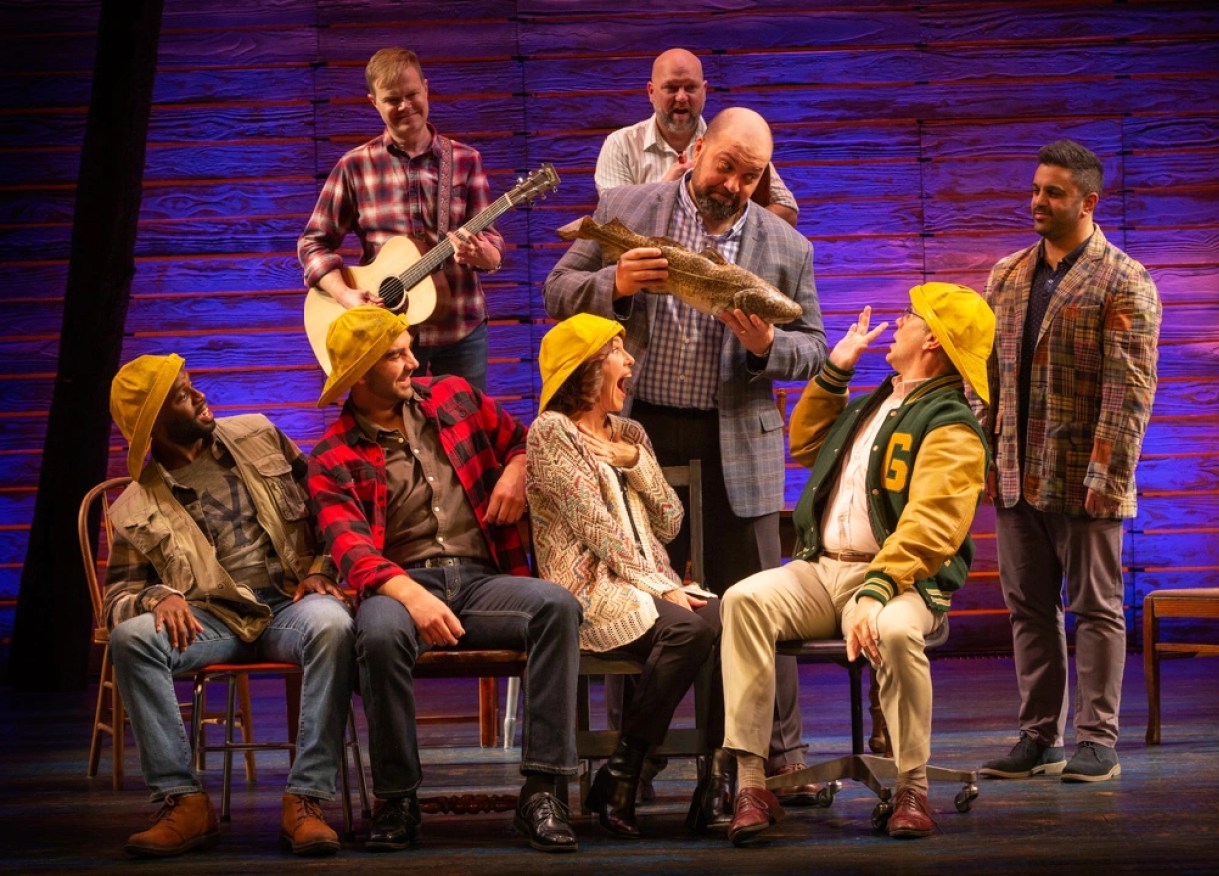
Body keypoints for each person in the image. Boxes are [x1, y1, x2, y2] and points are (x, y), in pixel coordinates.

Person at [545, 106, 829, 801]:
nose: (732, 183)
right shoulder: (626, 207)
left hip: (734, 438)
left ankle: (761, 761)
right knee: (634, 596)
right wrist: (612, 286)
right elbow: (556, 291)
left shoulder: (784, 246)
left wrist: (768, 348)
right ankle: (631, 761)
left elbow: (815, 349)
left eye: (749, 174)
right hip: (634, 431)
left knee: (750, 601)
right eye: (724, 165)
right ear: (697, 150)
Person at [719, 283, 993, 846]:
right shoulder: (882, 399)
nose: (898, 322)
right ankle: (751, 782)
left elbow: (932, 524)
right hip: (822, 571)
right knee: (743, 598)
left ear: (934, 342)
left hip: (902, 582)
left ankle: (911, 787)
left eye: (910, 317)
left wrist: (877, 588)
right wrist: (835, 372)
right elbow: (806, 445)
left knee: (893, 631)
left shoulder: (951, 424)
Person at [306, 306, 582, 854]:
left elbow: (526, 440)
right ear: (360, 375)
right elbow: (355, 554)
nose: (413, 360)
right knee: (379, 634)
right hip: (398, 586)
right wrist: (409, 595)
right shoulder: (330, 456)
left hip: (482, 580)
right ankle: (398, 797)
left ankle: (543, 791)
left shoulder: (453, 397)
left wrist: (516, 469)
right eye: (396, 355)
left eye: (409, 348)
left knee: (557, 607)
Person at [103, 354, 354, 858]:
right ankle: (184, 803)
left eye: (191, 384)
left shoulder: (259, 433)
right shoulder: (135, 505)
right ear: (154, 425)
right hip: (210, 618)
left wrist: (323, 565)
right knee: (130, 638)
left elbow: (332, 500)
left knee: (333, 624)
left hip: (290, 602)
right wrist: (157, 595)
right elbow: (115, 600)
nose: (197, 395)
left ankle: (305, 799)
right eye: (180, 394)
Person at [977, 139, 1161, 784]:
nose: (1037, 202)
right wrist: (983, 459)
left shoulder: (1124, 279)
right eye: (1034, 190)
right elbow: (985, 381)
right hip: (1014, 474)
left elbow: (1129, 392)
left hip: (1085, 479)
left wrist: (1107, 479)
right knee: (1028, 609)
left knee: (1097, 608)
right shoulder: (1006, 274)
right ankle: (1038, 736)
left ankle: (1097, 738)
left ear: (1088, 201)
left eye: (1052, 193)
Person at [525, 313, 727, 837]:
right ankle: (624, 774)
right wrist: (664, 587)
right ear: (589, 368)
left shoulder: (632, 431)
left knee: (732, 618)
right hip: (591, 586)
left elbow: (669, 520)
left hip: (647, 580)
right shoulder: (552, 433)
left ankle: (710, 776)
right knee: (688, 629)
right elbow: (596, 528)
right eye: (617, 349)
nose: (630, 359)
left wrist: (636, 460)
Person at [298, 46, 505, 389]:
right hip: (387, 338)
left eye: (412, 94)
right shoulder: (354, 166)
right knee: (396, 437)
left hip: (460, 330)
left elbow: (492, 238)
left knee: (466, 432)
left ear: (426, 88)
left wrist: (487, 255)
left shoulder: (466, 160)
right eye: (393, 99)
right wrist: (345, 294)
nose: (406, 105)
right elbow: (312, 242)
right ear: (374, 103)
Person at [594, 47, 800, 227]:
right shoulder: (620, 145)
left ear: (704, 91)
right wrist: (664, 190)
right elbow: (612, 221)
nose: (682, 97)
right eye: (671, 88)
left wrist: (730, 223)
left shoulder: (732, 141)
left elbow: (788, 211)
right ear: (651, 92)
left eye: (691, 88)